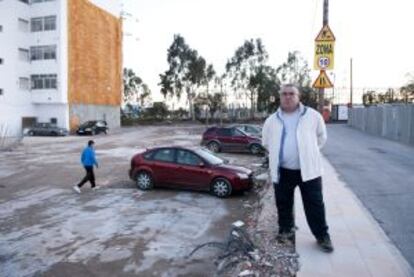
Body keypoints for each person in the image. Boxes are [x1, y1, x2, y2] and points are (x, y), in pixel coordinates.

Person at [262, 84, 333, 252]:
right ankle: (285, 230)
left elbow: (321, 138)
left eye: (291, 93)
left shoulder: (313, 116)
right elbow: (265, 142)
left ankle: (322, 236)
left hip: (309, 171)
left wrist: (309, 154)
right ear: (280, 97)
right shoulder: (271, 120)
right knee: (283, 204)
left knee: (315, 204)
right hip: (283, 171)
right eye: (284, 94)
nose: (287, 97)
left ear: (298, 96)